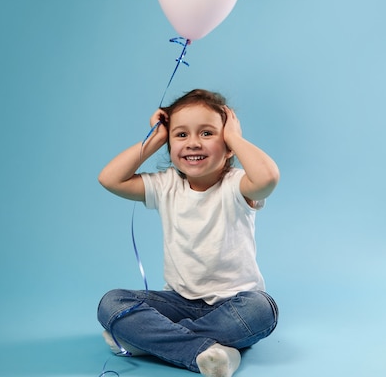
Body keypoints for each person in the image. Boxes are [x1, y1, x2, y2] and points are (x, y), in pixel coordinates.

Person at [97, 89, 279, 377]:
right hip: (179, 302)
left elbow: (268, 179)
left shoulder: (237, 185)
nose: (193, 143)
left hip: (235, 304)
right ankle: (213, 353)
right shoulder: (166, 185)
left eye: (207, 133)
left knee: (262, 310)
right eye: (181, 135)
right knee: (112, 303)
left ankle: (151, 341)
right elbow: (109, 178)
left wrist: (235, 137)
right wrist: (156, 138)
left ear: (228, 145)